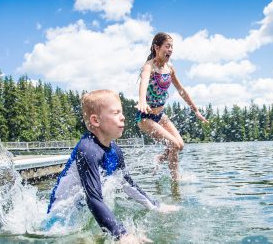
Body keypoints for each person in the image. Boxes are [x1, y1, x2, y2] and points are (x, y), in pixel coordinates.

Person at [46, 89, 178, 243]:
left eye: (121, 112)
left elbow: (126, 183)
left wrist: (155, 206)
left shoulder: (115, 149)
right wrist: (121, 234)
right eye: (116, 113)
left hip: (83, 214)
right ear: (96, 121)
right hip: (59, 222)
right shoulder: (87, 150)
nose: (123, 117)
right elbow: (92, 198)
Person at [136, 32, 208, 180]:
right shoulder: (148, 67)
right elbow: (143, 83)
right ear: (156, 47)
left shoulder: (170, 69)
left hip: (160, 115)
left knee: (180, 145)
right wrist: (142, 100)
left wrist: (196, 110)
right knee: (173, 144)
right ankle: (176, 182)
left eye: (172, 47)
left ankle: (160, 158)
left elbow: (181, 90)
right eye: (167, 46)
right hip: (145, 117)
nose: (170, 50)